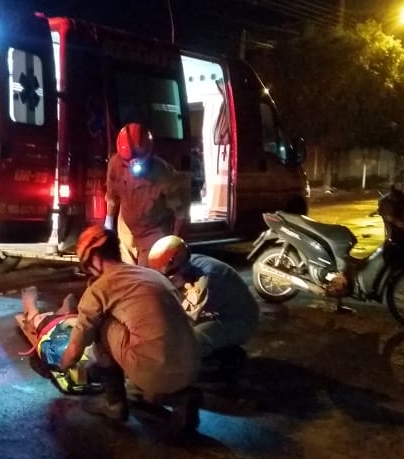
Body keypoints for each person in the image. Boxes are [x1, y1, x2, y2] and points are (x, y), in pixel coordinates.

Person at [59, 226, 201, 431]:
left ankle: (114, 403)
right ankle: (179, 397)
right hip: (193, 365)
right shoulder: (151, 275)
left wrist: (64, 366)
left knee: (100, 325)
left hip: (156, 372)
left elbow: (75, 350)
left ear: (95, 258)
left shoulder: (99, 289)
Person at [148, 235, 258, 364]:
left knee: (186, 343)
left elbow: (186, 319)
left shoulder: (207, 278)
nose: (166, 279)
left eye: (167, 275)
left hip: (239, 320)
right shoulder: (187, 264)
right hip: (219, 312)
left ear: (178, 266)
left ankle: (205, 370)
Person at [104, 123, 190, 266]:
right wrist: (108, 222)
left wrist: (173, 242)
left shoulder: (163, 173)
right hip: (126, 226)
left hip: (152, 230)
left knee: (148, 275)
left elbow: (180, 212)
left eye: (138, 159)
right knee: (128, 273)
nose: (133, 164)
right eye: (128, 161)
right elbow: (112, 197)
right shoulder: (115, 164)